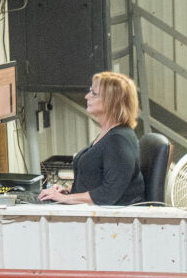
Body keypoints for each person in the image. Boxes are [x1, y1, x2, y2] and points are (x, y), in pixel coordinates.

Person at [38, 72, 145, 206]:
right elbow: (95, 179)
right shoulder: (107, 134)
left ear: (111, 101)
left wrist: (64, 199)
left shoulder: (119, 141)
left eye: (93, 94)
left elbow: (108, 194)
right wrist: (66, 191)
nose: (86, 96)